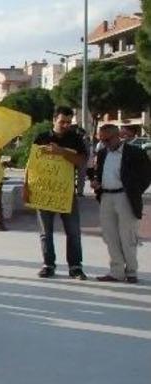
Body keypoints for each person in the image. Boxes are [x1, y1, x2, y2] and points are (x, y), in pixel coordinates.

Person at [29, 106, 88, 280]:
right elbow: (32, 164)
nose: (65, 125)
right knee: (45, 233)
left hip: (66, 193)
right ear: (54, 119)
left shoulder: (75, 139)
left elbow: (82, 160)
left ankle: (75, 267)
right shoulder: (42, 137)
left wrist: (61, 152)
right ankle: (48, 265)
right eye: (62, 121)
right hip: (43, 192)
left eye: (69, 122)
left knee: (73, 232)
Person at [91, 124, 151, 283]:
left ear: (118, 136)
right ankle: (116, 271)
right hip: (106, 197)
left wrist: (134, 190)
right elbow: (100, 172)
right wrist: (97, 182)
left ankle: (131, 271)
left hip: (125, 196)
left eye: (107, 140)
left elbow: (146, 176)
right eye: (101, 140)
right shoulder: (103, 153)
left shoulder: (135, 153)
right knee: (110, 236)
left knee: (128, 236)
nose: (104, 143)